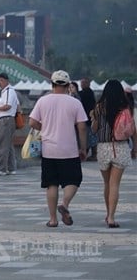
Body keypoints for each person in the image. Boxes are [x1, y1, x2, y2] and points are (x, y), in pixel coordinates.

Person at [29, 70, 87, 228]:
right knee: (74, 179)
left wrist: (45, 128)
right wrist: (83, 148)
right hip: (69, 150)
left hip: (49, 149)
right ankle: (65, 204)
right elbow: (82, 127)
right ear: (68, 86)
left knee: (51, 184)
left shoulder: (43, 101)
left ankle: (53, 219)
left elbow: (32, 122)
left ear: (52, 84)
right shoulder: (75, 102)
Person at [90, 80, 136, 228]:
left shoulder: (98, 107)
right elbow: (132, 129)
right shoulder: (125, 108)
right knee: (115, 184)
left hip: (103, 148)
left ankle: (108, 213)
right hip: (120, 147)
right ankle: (111, 217)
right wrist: (135, 147)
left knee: (107, 183)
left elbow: (94, 129)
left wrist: (94, 119)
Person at [0, 73, 19, 176]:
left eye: (1, 80)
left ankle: (1, 169)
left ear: (7, 81)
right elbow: (17, 105)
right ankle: (11, 168)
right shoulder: (9, 91)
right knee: (8, 145)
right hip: (9, 120)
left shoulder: (8, 91)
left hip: (5, 120)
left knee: (3, 145)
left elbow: (8, 106)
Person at [79, 78, 97, 160]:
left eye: (84, 83)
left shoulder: (88, 92)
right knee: (89, 138)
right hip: (86, 117)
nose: (82, 84)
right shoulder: (84, 93)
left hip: (89, 118)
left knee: (91, 137)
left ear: (88, 84)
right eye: (81, 83)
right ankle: (88, 153)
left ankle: (94, 154)